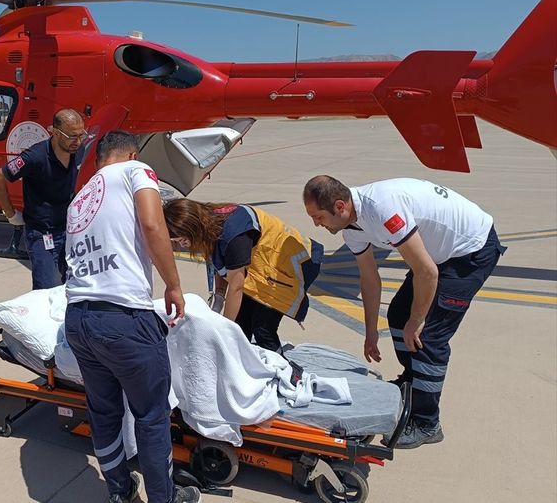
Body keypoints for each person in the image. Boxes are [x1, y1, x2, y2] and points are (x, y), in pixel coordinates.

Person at [302, 175, 505, 449]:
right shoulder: (351, 227)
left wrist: (417, 320)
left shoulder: (383, 209)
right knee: (398, 315)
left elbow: (427, 272)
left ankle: (427, 423)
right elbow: (369, 279)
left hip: (470, 250)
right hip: (438, 254)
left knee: (429, 337)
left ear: (340, 206)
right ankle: (413, 383)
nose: (316, 224)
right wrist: (370, 332)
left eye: (318, 217)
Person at [63, 131, 200, 503]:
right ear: (132, 154)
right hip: (123, 319)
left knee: (104, 413)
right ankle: (164, 497)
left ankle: (120, 492)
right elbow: (153, 225)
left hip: (79, 319)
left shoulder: (79, 199)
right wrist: (173, 284)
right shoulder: (136, 171)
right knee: (151, 416)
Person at [164, 198, 323, 353]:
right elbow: (223, 262)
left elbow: (236, 286)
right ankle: (244, 363)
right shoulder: (210, 221)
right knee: (241, 325)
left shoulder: (234, 235)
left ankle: (278, 366)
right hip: (263, 269)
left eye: (183, 239)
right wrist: (219, 295)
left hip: (294, 265)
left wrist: (223, 328)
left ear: (193, 227)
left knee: (262, 329)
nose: (182, 245)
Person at [0, 109, 88, 289]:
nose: (78, 141)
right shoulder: (35, 157)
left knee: (73, 286)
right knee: (46, 288)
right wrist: (11, 214)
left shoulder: (78, 150)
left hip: (68, 229)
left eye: (81, 135)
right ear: (55, 133)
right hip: (42, 233)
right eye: (73, 136)